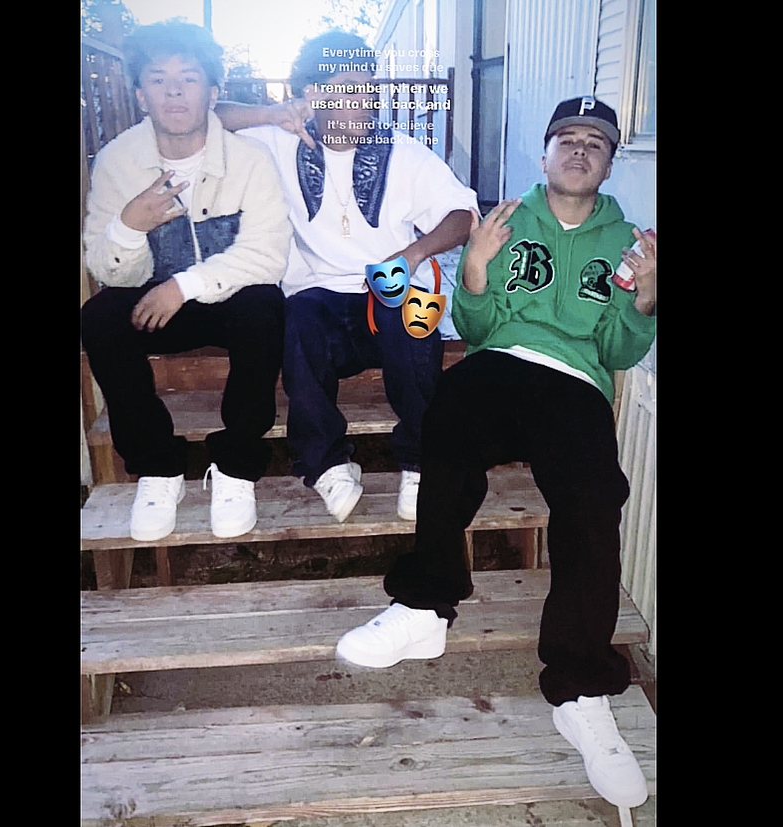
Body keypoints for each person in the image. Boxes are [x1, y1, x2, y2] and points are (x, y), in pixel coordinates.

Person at [336, 97, 657, 809]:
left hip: (575, 380)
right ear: (544, 155)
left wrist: (643, 303)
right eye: (567, 139)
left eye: (595, 143)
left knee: (594, 498)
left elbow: (615, 350)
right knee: (449, 422)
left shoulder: (627, 242)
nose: (579, 150)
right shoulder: (506, 221)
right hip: (501, 362)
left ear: (608, 164)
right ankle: (425, 607)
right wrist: (476, 269)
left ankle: (579, 687)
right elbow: (476, 327)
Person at [214, 31, 478, 523]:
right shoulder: (277, 141)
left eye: (368, 87)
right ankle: (327, 465)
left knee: (415, 314)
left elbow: (462, 214)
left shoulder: (402, 151)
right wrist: (273, 113)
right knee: (296, 317)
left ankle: (420, 462)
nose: (364, 99)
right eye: (348, 87)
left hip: (387, 293)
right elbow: (210, 119)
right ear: (313, 94)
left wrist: (414, 252)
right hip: (319, 300)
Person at [81, 21, 292, 542]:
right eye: (158, 79)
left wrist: (183, 286)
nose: (174, 91)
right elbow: (107, 269)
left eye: (189, 78)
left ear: (213, 93)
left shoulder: (250, 160)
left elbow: (267, 255)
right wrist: (130, 226)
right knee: (99, 317)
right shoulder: (116, 162)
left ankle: (237, 464)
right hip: (151, 306)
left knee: (265, 306)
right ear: (141, 94)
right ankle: (158, 468)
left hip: (227, 301)